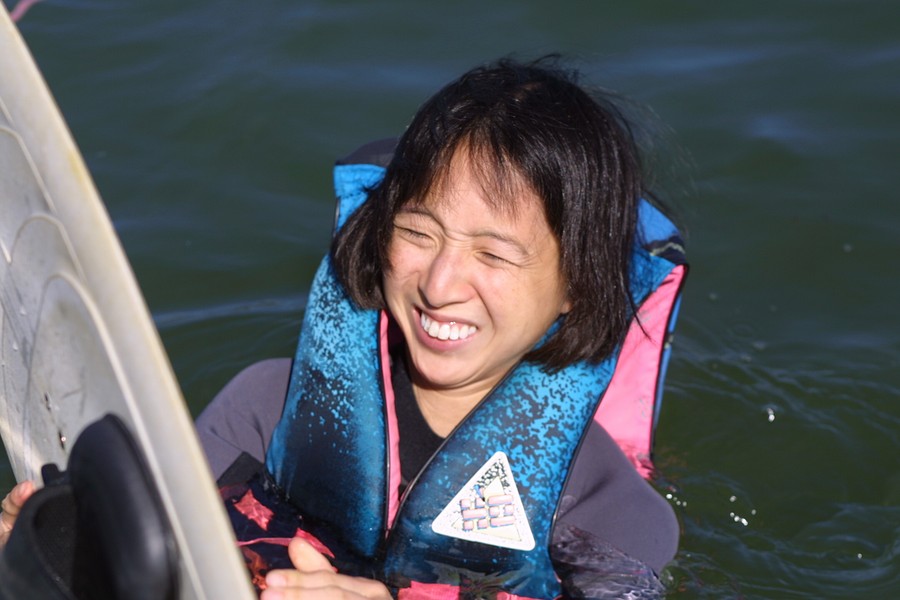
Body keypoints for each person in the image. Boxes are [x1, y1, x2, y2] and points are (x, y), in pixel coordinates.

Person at [2, 56, 686, 598]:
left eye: (493, 254)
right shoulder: (263, 407)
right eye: (417, 231)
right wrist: (51, 556)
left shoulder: (608, 509)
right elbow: (167, 555)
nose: (440, 285)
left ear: (576, 286)